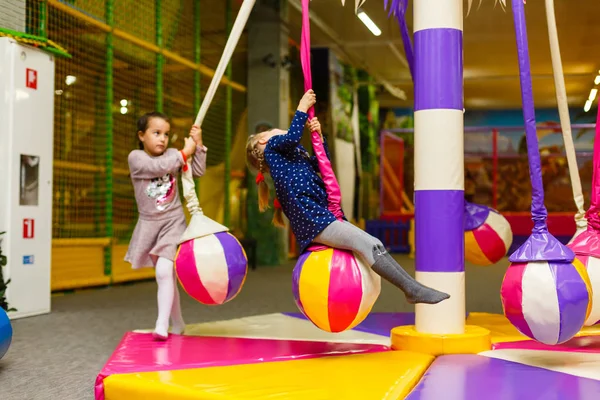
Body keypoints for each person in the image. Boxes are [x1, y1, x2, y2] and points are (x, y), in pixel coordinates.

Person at [245, 90, 449, 305]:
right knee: (370, 244)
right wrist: (302, 107)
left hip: (319, 216)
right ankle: (412, 290)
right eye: (269, 131)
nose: (275, 130)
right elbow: (292, 136)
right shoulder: (272, 151)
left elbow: (322, 163)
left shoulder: (293, 157)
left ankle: (412, 289)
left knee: (373, 244)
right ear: (263, 141)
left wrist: (319, 136)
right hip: (314, 221)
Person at [126, 111, 207, 340]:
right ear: (141, 136)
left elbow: (197, 171)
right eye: (156, 133)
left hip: (173, 222)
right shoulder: (136, 158)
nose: (162, 139)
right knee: (166, 277)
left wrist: (198, 146)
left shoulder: (174, 154)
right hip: (149, 224)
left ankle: (161, 324)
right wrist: (184, 153)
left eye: (166, 134)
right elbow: (158, 168)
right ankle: (178, 322)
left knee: (164, 271)